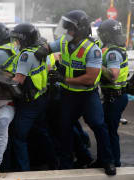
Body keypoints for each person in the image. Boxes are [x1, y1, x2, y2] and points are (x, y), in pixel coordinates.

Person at [35, 10, 116, 175]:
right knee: (64, 128)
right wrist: (41, 50)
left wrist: (62, 79)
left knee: (99, 125)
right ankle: (66, 164)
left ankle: (107, 161)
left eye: (70, 28)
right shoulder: (65, 41)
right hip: (68, 95)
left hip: (87, 95)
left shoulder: (92, 50)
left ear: (80, 29)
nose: (67, 32)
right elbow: (49, 47)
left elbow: (90, 79)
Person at [10, 23, 57, 171]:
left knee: (19, 137)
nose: (15, 43)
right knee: (43, 133)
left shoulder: (26, 55)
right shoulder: (39, 50)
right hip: (41, 98)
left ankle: (24, 171)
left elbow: (18, 81)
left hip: (29, 103)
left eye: (17, 40)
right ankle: (54, 163)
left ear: (24, 39)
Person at [98, 19, 129, 167]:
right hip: (115, 97)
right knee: (106, 130)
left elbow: (112, 75)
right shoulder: (117, 48)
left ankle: (114, 162)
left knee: (109, 131)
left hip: (114, 98)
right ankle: (104, 159)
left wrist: (97, 64)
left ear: (107, 35)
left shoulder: (113, 53)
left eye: (102, 34)